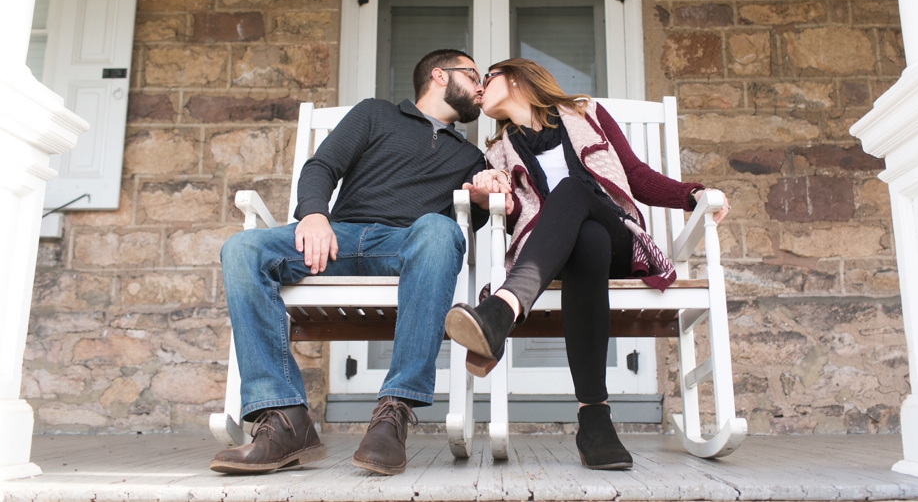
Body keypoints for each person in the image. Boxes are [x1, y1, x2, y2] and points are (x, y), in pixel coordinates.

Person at [211, 49, 491, 476]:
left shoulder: (470, 157)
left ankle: (393, 411)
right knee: (242, 249)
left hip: (401, 245)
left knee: (439, 230)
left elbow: (463, 229)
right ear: (439, 75)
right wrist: (314, 214)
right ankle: (285, 420)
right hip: (335, 238)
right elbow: (322, 166)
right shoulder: (375, 114)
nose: (481, 86)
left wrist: (484, 198)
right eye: (474, 75)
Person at [445, 58, 730, 471]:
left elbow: (635, 174)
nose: (479, 89)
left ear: (517, 77)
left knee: (575, 192)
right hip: (555, 258)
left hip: (620, 241)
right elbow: (511, 219)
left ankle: (501, 311)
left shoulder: (585, 112)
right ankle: (594, 419)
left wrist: (692, 195)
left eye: (487, 78)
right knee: (586, 239)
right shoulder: (495, 152)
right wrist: (495, 195)